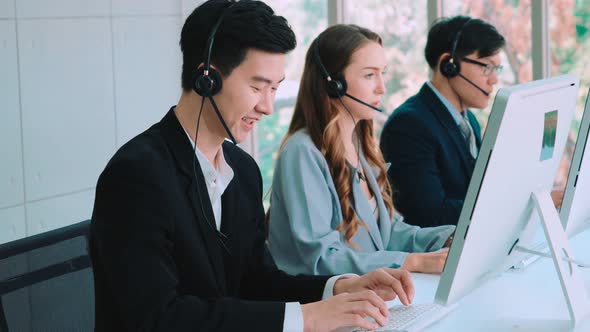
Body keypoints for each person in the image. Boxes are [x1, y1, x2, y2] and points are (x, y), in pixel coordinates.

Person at [90, 1, 415, 332]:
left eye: (275, 88)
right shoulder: (137, 175)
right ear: (207, 79)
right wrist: (309, 318)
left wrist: (337, 289)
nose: (268, 107)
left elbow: (257, 282)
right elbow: (159, 317)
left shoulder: (242, 171)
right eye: (257, 87)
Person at [267, 24, 455, 277]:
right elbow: (321, 259)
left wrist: (449, 237)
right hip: (327, 306)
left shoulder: (361, 146)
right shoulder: (302, 153)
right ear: (334, 84)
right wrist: (413, 263)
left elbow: (388, 234)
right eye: (369, 75)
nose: (381, 88)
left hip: (371, 297)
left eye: (382, 74)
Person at [379, 16, 505, 228]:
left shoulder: (469, 121)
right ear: (449, 64)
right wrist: (506, 205)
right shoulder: (408, 125)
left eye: (497, 69)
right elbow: (429, 215)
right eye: (486, 67)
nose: (493, 80)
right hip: (438, 255)